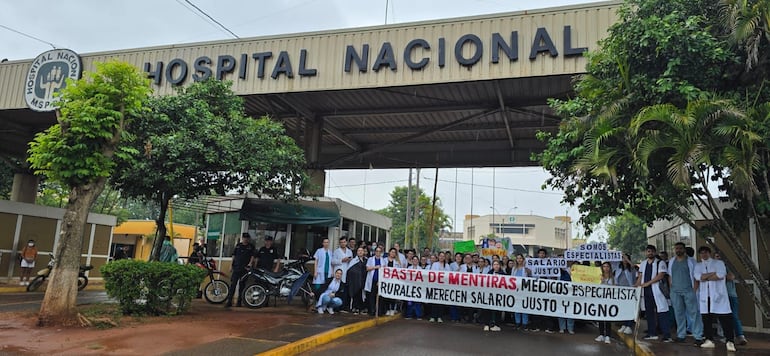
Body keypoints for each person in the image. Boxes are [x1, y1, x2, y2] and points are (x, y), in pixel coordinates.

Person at [694, 246, 735, 352]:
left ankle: (730, 341)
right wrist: (712, 274)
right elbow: (698, 277)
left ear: (709, 253)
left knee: (725, 318)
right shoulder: (698, 265)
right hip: (705, 296)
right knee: (706, 318)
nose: (704, 255)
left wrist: (706, 277)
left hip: (718, 296)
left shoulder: (718, 263)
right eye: (702, 253)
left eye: (706, 252)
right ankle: (709, 340)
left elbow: (721, 275)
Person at [668, 242, 703, 345]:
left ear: (684, 249)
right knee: (679, 314)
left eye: (680, 248)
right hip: (675, 291)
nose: (678, 250)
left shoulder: (691, 261)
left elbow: (696, 277)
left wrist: (694, 290)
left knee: (694, 313)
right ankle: (681, 335)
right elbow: (670, 275)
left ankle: (698, 336)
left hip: (688, 290)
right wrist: (671, 288)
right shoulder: (672, 261)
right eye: (676, 248)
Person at [636, 245, 672, 342]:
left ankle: (667, 335)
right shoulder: (643, 263)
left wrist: (648, 283)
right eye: (648, 251)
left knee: (662, 312)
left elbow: (661, 275)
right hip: (646, 292)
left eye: (652, 251)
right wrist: (636, 286)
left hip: (657, 291)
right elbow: (640, 276)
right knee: (649, 313)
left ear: (655, 252)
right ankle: (652, 333)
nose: (650, 253)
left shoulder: (660, 263)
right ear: (646, 252)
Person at [715, 252, 748, 345]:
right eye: (716, 256)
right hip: (718, 296)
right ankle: (724, 336)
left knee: (734, 316)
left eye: (720, 256)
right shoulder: (713, 267)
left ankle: (740, 336)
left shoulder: (728, 266)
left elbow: (731, 277)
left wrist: (717, 276)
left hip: (730, 294)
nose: (718, 258)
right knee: (720, 317)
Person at [224, 233, 255, 308]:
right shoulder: (238, 246)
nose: (245, 239)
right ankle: (229, 301)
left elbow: (252, 256)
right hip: (236, 268)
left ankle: (239, 302)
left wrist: (250, 264)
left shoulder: (250, 247)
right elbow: (233, 256)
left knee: (242, 286)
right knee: (233, 285)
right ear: (242, 238)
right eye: (244, 238)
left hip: (244, 269)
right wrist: (231, 265)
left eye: (247, 238)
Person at [614, 253, 637, 335]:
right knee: (623, 308)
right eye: (622, 258)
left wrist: (626, 258)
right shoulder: (618, 268)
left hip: (629, 291)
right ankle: (624, 324)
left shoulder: (631, 268)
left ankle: (629, 325)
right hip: (620, 291)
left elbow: (633, 266)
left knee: (629, 308)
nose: (623, 260)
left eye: (625, 258)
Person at [481, 260, 506, 331]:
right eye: (494, 264)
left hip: (499, 294)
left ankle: (497, 325)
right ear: (492, 266)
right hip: (489, 293)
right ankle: (487, 324)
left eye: (497, 264)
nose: (496, 266)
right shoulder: (489, 273)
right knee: (487, 309)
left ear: (500, 265)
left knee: (498, 310)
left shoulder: (503, 274)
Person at [429, 251, 452, 323]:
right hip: (435, 285)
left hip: (443, 286)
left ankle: (439, 316)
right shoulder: (434, 264)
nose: (442, 257)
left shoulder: (447, 266)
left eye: (443, 256)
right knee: (434, 302)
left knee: (441, 302)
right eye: (440, 256)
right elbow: (432, 274)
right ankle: (433, 316)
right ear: (438, 257)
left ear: (445, 257)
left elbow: (449, 275)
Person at [511, 253, 532, 330]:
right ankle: (517, 322)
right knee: (516, 307)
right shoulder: (514, 269)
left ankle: (525, 323)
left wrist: (529, 272)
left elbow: (530, 278)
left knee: (524, 306)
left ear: (523, 259)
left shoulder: (527, 268)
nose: (519, 260)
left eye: (520, 258)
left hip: (525, 290)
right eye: (517, 258)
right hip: (516, 290)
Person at [332, 237, 353, 312]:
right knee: (337, 290)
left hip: (346, 273)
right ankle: (336, 307)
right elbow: (333, 261)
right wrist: (341, 260)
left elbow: (352, 262)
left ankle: (344, 306)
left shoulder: (349, 251)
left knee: (345, 291)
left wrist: (349, 260)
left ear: (346, 242)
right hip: (338, 272)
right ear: (339, 243)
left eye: (344, 242)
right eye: (341, 242)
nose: (343, 243)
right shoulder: (336, 251)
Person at [595, 262, 614, 344]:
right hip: (600, 299)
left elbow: (615, 288)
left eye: (607, 266)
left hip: (609, 300)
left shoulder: (613, 277)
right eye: (604, 266)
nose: (606, 268)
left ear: (610, 268)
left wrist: (605, 283)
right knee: (601, 318)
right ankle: (601, 334)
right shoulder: (599, 277)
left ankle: (608, 336)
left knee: (608, 318)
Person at [364, 245, 385, 316]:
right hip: (372, 279)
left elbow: (384, 271)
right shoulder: (370, 259)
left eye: (379, 251)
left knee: (380, 296)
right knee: (371, 296)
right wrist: (375, 267)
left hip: (380, 281)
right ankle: (372, 310)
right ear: (374, 252)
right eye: (377, 251)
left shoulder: (383, 260)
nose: (378, 253)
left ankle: (379, 311)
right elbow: (367, 268)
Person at [347, 246, 368, 315]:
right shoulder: (353, 261)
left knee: (362, 295)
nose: (360, 252)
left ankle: (361, 308)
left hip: (363, 280)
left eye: (362, 250)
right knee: (356, 294)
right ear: (357, 252)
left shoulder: (366, 260)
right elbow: (350, 271)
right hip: (355, 281)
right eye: (359, 251)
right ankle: (355, 308)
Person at [558, 260, 576, 335]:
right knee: (561, 309)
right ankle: (562, 328)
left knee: (570, 310)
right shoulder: (555, 271)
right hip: (560, 292)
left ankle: (570, 328)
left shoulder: (572, 270)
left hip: (571, 292)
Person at [404, 256, 424, 320]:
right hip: (410, 287)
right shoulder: (409, 268)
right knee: (409, 302)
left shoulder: (420, 269)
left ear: (418, 261)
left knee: (418, 302)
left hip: (418, 287)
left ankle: (418, 316)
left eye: (416, 260)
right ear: (412, 261)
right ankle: (409, 315)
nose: (415, 261)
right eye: (414, 260)